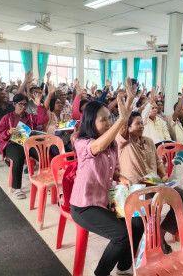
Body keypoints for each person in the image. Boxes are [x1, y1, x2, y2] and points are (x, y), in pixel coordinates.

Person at [70, 78, 143, 276]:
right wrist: (122, 118)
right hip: (84, 206)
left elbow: (114, 170)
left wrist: (122, 178)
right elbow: (98, 146)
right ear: (90, 122)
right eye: (104, 120)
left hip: (104, 201)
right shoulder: (82, 142)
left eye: (110, 118)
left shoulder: (112, 145)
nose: (109, 122)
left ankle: (123, 266)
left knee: (137, 223)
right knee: (120, 235)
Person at [117, 111, 183, 254]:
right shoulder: (124, 142)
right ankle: (153, 242)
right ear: (127, 127)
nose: (141, 126)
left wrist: (164, 175)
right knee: (149, 213)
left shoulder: (149, 141)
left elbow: (158, 163)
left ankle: (161, 233)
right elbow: (121, 126)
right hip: (134, 188)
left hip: (154, 184)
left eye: (141, 123)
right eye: (137, 124)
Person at [0, 93, 48, 199]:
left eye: (25, 105)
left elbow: (43, 120)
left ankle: (47, 181)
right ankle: (17, 188)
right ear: (14, 104)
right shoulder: (7, 118)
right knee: (18, 158)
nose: (23, 107)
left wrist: (39, 106)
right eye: (20, 104)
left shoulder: (30, 117)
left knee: (44, 155)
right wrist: (8, 132)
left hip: (29, 143)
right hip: (13, 144)